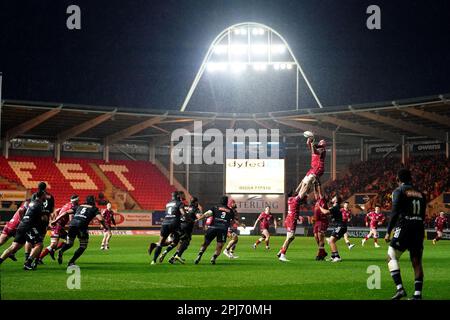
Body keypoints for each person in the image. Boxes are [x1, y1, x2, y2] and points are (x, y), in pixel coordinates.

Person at [384, 168, 426, 300]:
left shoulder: (399, 191)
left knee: (391, 256)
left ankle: (400, 289)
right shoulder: (420, 193)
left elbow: (395, 212)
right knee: (417, 261)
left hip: (405, 226)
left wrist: (388, 231)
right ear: (410, 178)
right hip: (419, 227)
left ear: (398, 179)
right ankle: (417, 295)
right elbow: (423, 213)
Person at [0, 190, 48, 270]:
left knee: (14, 246)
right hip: (29, 226)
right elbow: (43, 218)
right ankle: (28, 263)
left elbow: (22, 210)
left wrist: (23, 220)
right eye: (45, 195)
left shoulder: (31, 203)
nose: (46, 197)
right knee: (39, 244)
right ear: (42, 196)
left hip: (22, 225)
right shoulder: (40, 204)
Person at [58, 195, 107, 266]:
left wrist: (55, 220)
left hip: (72, 225)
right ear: (93, 201)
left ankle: (61, 251)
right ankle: (71, 261)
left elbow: (66, 212)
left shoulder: (79, 206)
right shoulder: (94, 209)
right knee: (83, 246)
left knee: (69, 243)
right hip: (82, 226)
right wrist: (105, 226)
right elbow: (101, 219)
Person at [194, 196, 235, 265]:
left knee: (206, 243)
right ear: (227, 202)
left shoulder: (215, 207)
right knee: (220, 245)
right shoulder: (230, 211)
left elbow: (207, 214)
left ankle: (199, 255)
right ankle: (213, 258)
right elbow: (232, 221)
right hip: (223, 229)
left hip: (213, 227)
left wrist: (198, 219)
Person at [40, 195, 79, 261]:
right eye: (78, 200)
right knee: (53, 244)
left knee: (68, 240)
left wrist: (55, 218)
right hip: (57, 226)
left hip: (59, 226)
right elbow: (71, 218)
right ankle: (39, 258)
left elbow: (56, 210)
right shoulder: (72, 207)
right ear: (76, 201)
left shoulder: (67, 204)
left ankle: (53, 250)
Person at [149, 191, 185, 265]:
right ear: (178, 196)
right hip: (174, 223)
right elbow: (182, 213)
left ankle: (153, 261)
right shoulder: (179, 203)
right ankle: (176, 255)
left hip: (165, 223)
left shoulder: (168, 204)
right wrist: (186, 217)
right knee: (178, 240)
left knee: (161, 242)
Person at [168, 196, 202, 264]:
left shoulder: (185, 207)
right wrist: (198, 220)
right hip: (187, 227)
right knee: (186, 242)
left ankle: (173, 257)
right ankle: (178, 255)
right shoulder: (195, 209)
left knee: (181, 242)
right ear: (196, 202)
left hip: (180, 225)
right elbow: (199, 217)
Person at [295, 137, 326, 202]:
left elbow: (315, 151)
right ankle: (297, 194)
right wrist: (309, 139)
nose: (322, 143)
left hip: (319, 168)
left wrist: (312, 143)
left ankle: (300, 198)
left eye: (323, 142)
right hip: (312, 169)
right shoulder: (314, 147)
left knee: (308, 182)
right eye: (321, 141)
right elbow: (308, 143)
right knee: (303, 181)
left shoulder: (322, 150)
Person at [318, 195, 346, 262]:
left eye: (333, 197)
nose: (332, 198)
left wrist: (319, 207)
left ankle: (337, 257)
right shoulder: (335, 207)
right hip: (339, 226)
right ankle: (333, 256)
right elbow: (329, 210)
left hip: (340, 226)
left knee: (331, 241)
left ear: (336, 200)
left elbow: (325, 212)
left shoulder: (336, 207)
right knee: (330, 241)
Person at [277, 191, 302, 262]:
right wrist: (305, 183)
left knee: (291, 237)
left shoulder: (290, 199)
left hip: (289, 219)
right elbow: (302, 192)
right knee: (290, 237)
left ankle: (280, 252)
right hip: (291, 220)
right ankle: (282, 255)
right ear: (293, 195)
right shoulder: (294, 199)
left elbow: (298, 192)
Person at [312, 195, 329, 260]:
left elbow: (320, 193)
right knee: (316, 237)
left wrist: (318, 185)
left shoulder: (323, 203)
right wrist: (314, 185)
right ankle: (323, 252)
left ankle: (318, 254)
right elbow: (316, 194)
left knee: (321, 239)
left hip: (322, 222)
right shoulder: (318, 201)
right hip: (317, 222)